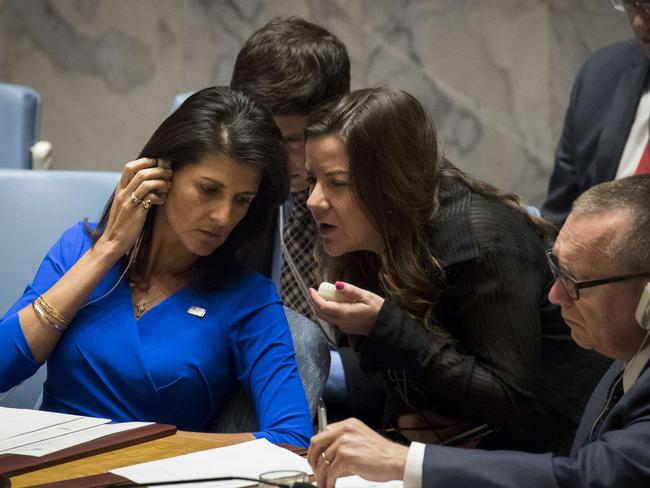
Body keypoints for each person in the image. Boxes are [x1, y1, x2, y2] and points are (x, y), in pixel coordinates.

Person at [0, 86, 312, 447]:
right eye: (208, 190)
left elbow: (293, 439)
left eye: (241, 201)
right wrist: (108, 250)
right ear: (160, 177)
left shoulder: (249, 299)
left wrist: (150, 448)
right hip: (38, 469)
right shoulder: (81, 249)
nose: (223, 217)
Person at [304, 87, 610, 453]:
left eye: (336, 183)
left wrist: (385, 326)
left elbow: (510, 399)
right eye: (312, 180)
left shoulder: (482, 239)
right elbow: (394, 371)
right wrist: (406, 415)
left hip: (561, 451)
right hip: (470, 454)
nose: (312, 200)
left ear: (389, 182)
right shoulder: (365, 238)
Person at [308, 174, 650, 488]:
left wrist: (403, 461)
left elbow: (588, 478)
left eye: (574, 283)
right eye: (556, 269)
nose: (555, 294)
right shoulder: (627, 355)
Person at [230, 16, 350, 322]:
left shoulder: (372, 189)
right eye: (266, 137)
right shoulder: (229, 177)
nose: (276, 158)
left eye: (294, 140)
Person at [541, 0, 650, 227]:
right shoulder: (601, 74)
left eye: (649, 6)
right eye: (631, 4)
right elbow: (559, 220)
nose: (639, 21)